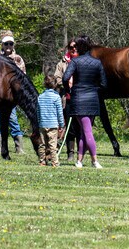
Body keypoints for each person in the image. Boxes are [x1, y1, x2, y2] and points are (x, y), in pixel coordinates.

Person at [62, 35, 107, 169]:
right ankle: (82, 161)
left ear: (80, 47)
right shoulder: (97, 62)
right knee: (85, 131)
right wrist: (94, 90)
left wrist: (68, 90)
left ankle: (93, 161)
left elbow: (65, 78)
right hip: (93, 99)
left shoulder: (75, 62)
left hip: (78, 99)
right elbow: (104, 84)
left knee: (85, 132)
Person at [54, 39, 80, 162]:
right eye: (71, 47)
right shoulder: (62, 63)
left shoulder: (83, 61)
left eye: (76, 47)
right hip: (67, 98)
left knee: (81, 126)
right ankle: (70, 153)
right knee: (69, 127)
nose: (73, 49)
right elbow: (56, 78)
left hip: (81, 98)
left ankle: (82, 153)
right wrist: (66, 83)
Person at [37, 75, 65, 166]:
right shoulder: (56, 97)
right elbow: (59, 113)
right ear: (55, 85)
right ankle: (54, 162)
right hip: (53, 124)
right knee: (53, 145)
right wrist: (61, 124)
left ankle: (42, 161)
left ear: (44, 84)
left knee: (42, 144)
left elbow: (38, 111)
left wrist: (39, 121)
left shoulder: (40, 97)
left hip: (42, 124)